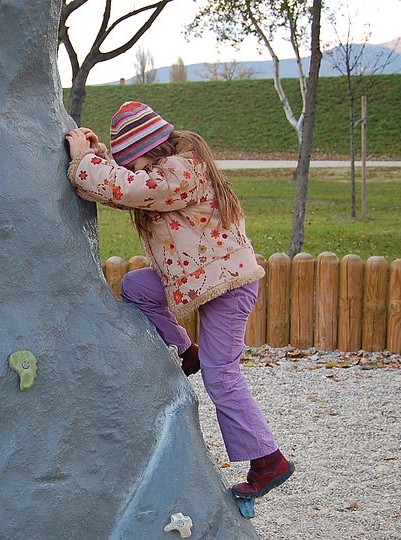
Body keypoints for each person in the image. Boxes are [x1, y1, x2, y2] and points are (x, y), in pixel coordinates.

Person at [64, 101, 294, 499]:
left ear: (150, 148)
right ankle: (189, 352)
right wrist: (96, 158)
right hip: (198, 277)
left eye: (132, 160)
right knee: (137, 287)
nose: (133, 169)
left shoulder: (182, 170)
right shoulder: (161, 174)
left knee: (222, 375)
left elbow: (132, 188)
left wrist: (85, 159)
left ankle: (268, 460)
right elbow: (121, 191)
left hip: (228, 285)